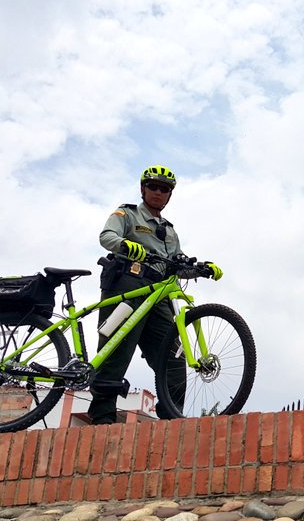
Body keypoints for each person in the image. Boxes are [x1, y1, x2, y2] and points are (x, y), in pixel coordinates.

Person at [88, 165, 224, 425]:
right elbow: (107, 237)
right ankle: (102, 418)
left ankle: (172, 419)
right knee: (115, 351)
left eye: (165, 189)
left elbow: (177, 263)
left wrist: (202, 268)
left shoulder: (170, 231)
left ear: (170, 195)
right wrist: (125, 245)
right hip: (128, 287)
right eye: (153, 186)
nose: (159, 192)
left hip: (158, 295)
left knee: (173, 357)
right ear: (143, 189)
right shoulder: (127, 214)